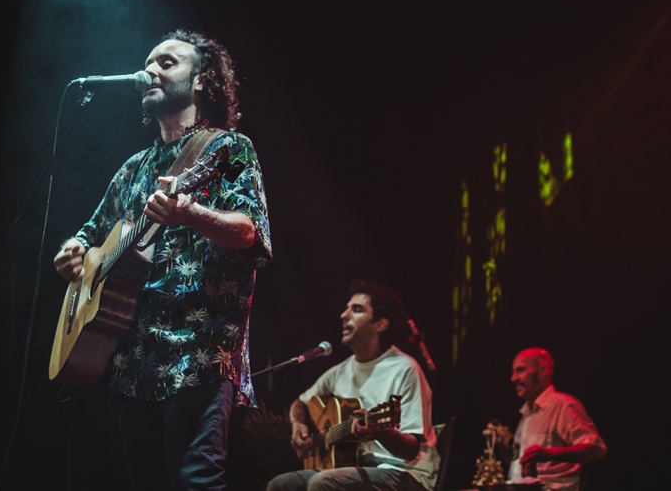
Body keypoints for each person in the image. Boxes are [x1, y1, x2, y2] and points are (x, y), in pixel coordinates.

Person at [53, 28, 272, 490]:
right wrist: (72, 251)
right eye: (148, 62)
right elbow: (91, 234)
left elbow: (251, 234)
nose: (149, 70)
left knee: (197, 481)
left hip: (199, 351)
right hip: (131, 359)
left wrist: (188, 212)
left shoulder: (227, 149)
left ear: (200, 81)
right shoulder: (132, 169)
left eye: (166, 63)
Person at [266, 279, 439, 491]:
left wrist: (381, 432)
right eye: (346, 308)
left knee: (323, 483)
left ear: (380, 324)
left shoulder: (404, 369)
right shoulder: (340, 371)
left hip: (406, 472)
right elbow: (300, 403)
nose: (343, 315)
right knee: (280, 485)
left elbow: (411, 449)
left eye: (356, 310)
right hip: (355, 466)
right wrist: (298, 425)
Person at [483, 347, 607, 491]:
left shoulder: (562, 405)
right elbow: (524, 470)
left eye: (520, 370)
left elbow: (597, 449)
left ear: (543, 370)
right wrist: (503, 448)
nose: (513, 378)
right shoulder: (527, 414)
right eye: (513, 372)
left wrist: (550, 454)